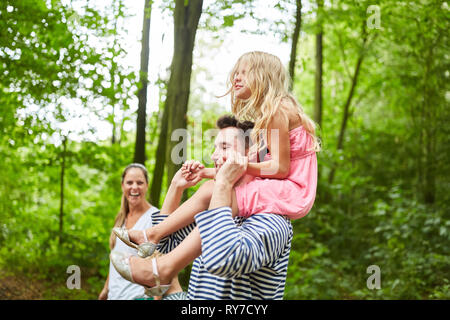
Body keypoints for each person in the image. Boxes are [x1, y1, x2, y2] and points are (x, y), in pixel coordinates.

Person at [114, 51, 319, 257]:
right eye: (235, 72)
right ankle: (154, 237)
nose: (236, 77)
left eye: (244, 72)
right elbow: (254, 169)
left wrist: (240, 165)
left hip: (294, 190)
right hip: (287, 185)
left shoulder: (277, 111)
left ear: (262, 76)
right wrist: (205, 172)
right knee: (211, 187)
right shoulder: (272, 112)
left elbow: (280, 169)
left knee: (215, 193)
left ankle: (161, 253)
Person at [110, 115, 291, 299]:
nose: (213, 156)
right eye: (215, 148)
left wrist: (221, 185)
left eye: (224, 147)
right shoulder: (211, 206)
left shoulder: (273, 220)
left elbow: (223, 259)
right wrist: (175, 188)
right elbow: (162, 246)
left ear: (253, 153)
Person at [99, 163, 193, 300]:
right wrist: (105, 290)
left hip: (138, 297)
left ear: (147, 186)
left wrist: (157, 298)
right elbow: (117, 258)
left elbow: (161, 262)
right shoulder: (120, 219)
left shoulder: (154, 219)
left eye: (140, 182)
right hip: (114, 295)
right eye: (129, 182)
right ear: (122, 185)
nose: (134, 187)